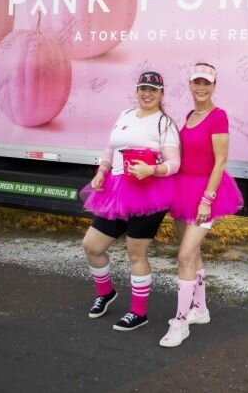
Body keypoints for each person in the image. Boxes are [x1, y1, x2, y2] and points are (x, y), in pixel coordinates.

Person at [81, 71, 180, 331]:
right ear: (137, 91)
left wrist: (153, 170)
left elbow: (174, 163)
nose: (147, 94)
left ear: (161, 94)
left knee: (136, 253)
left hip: (148, 193)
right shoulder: (125, 115)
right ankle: (105, 293)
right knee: (92, 245)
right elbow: (110, 148)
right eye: (143, 88)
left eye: (153, 89)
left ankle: (138, 312)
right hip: (115, 191)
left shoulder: (165, 123)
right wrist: (102, 170)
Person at [159, 62, 244, 347]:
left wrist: (207, 199)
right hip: (182, 189)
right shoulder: (190, 115)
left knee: (183, 256)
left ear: (214, 86)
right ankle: (201, 309)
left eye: (207, 83)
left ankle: (181, 323)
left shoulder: (218, 116)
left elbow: (220, 161)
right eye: (197, 82)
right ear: (190, 85)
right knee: (192, 254)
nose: (201, 88)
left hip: (204, 194)